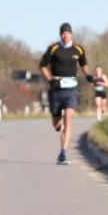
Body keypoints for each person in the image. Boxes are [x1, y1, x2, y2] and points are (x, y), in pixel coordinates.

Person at [39, 22, 94, 165]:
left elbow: (83, 65)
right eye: (63, 33)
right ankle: (60, 128)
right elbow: (42, 66)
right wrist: (50, 79)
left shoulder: (78, 49)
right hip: (56, 89)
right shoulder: (53, 49)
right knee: (57, 124)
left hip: (71, 89)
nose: (65, 35)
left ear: (71, 34)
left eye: (68, 33)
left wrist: (88, 75)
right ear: (60, 34)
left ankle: (63, 153)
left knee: (69, 116)